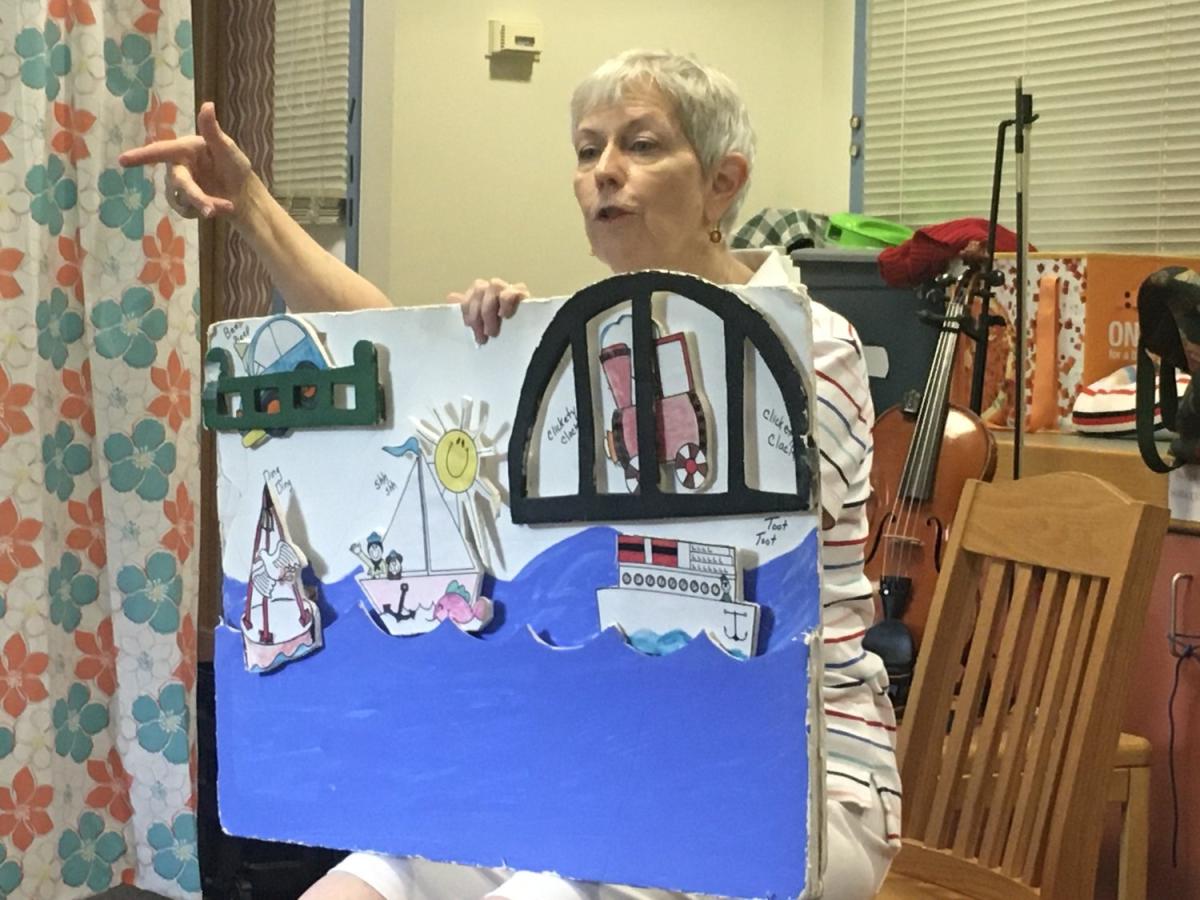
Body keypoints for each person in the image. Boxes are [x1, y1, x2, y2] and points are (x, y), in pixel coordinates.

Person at [124, 48, 899, 900]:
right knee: (369, 878)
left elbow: (729, 528)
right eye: (586, 150)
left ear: (723, 180)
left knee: (549, 890)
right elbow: (389, 362)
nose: (604, 172)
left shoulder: (807, 346)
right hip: (582, 746)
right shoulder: (590, 346)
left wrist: (514, 375)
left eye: (640, 147)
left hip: (784, 780)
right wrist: (467, 355)